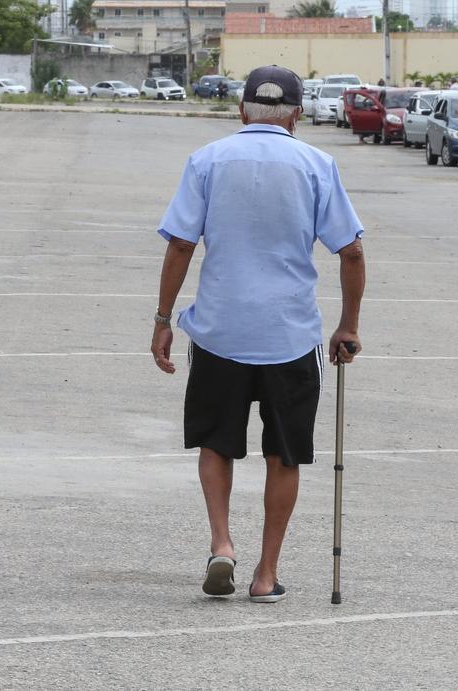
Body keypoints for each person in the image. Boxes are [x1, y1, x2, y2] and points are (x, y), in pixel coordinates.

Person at [151, 65, 366, 603]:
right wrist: (348, 325)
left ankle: (221, 543)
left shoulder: (207, 160)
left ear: (242, 109)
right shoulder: (317, 164)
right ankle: (266, 575)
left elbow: (180, 245)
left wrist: (161, 320)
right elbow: (352, 250)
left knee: (216, 443)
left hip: (221, 330)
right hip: (289, 335)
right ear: (296, 115)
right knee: (284, 454)